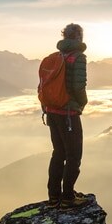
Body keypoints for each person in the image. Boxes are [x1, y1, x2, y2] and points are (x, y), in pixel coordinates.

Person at [45, 23, 88, 208]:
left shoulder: (55, 57)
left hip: (51, 111)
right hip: (68, 113)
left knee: (58, 153)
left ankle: (54, 197)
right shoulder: (78, 57)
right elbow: (79, 86)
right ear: (78, 37)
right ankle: (68, 197)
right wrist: (82, 103)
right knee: (74, 155)